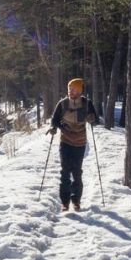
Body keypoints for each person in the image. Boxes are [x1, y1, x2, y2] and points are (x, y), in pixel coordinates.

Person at [48, 78, 99, 211]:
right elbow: (54, 119)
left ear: (80, 90)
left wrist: (91, 119)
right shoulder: (63, 103)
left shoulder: (87, 104)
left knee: (77, 172)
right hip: (65, 142)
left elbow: (95, 121)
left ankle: (76, 201)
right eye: (69, 89)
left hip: (80, 142)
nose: (71, 91)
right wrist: (54, 127)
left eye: (74, 89)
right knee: (65, 172)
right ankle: (65, 203)